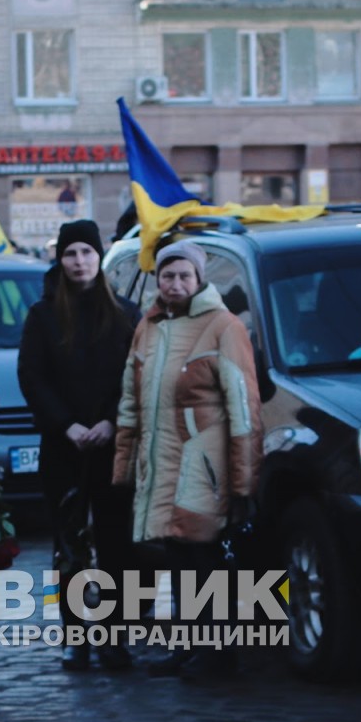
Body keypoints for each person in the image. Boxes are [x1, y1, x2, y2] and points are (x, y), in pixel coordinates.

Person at [112, 242, 262, 682]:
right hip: (161, 466)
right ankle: (188, 645)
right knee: (177, 558)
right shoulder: (148, 327)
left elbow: (244, 409)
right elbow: (130, 401)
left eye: (184, 276)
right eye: (167, 276)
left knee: (205, 560)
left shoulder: (223, 327)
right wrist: (125, 466)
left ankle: (217, 653)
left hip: (204, 465)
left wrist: (243, 482)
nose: (175, 284)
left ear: (199, 280)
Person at [18, 219, 140, 673]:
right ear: (60, 259)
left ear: (100, 257)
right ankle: (76, 636)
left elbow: (135, 376)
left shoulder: (126, 313)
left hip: (114, 444)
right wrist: (66, 424)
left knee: (117, 544)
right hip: (63, 446)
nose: (79, 262)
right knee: (70, 544)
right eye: (71, 254)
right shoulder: (43, 315)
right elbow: (33, 377)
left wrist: (111, 421)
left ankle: (114, 636)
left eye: (87, 253)